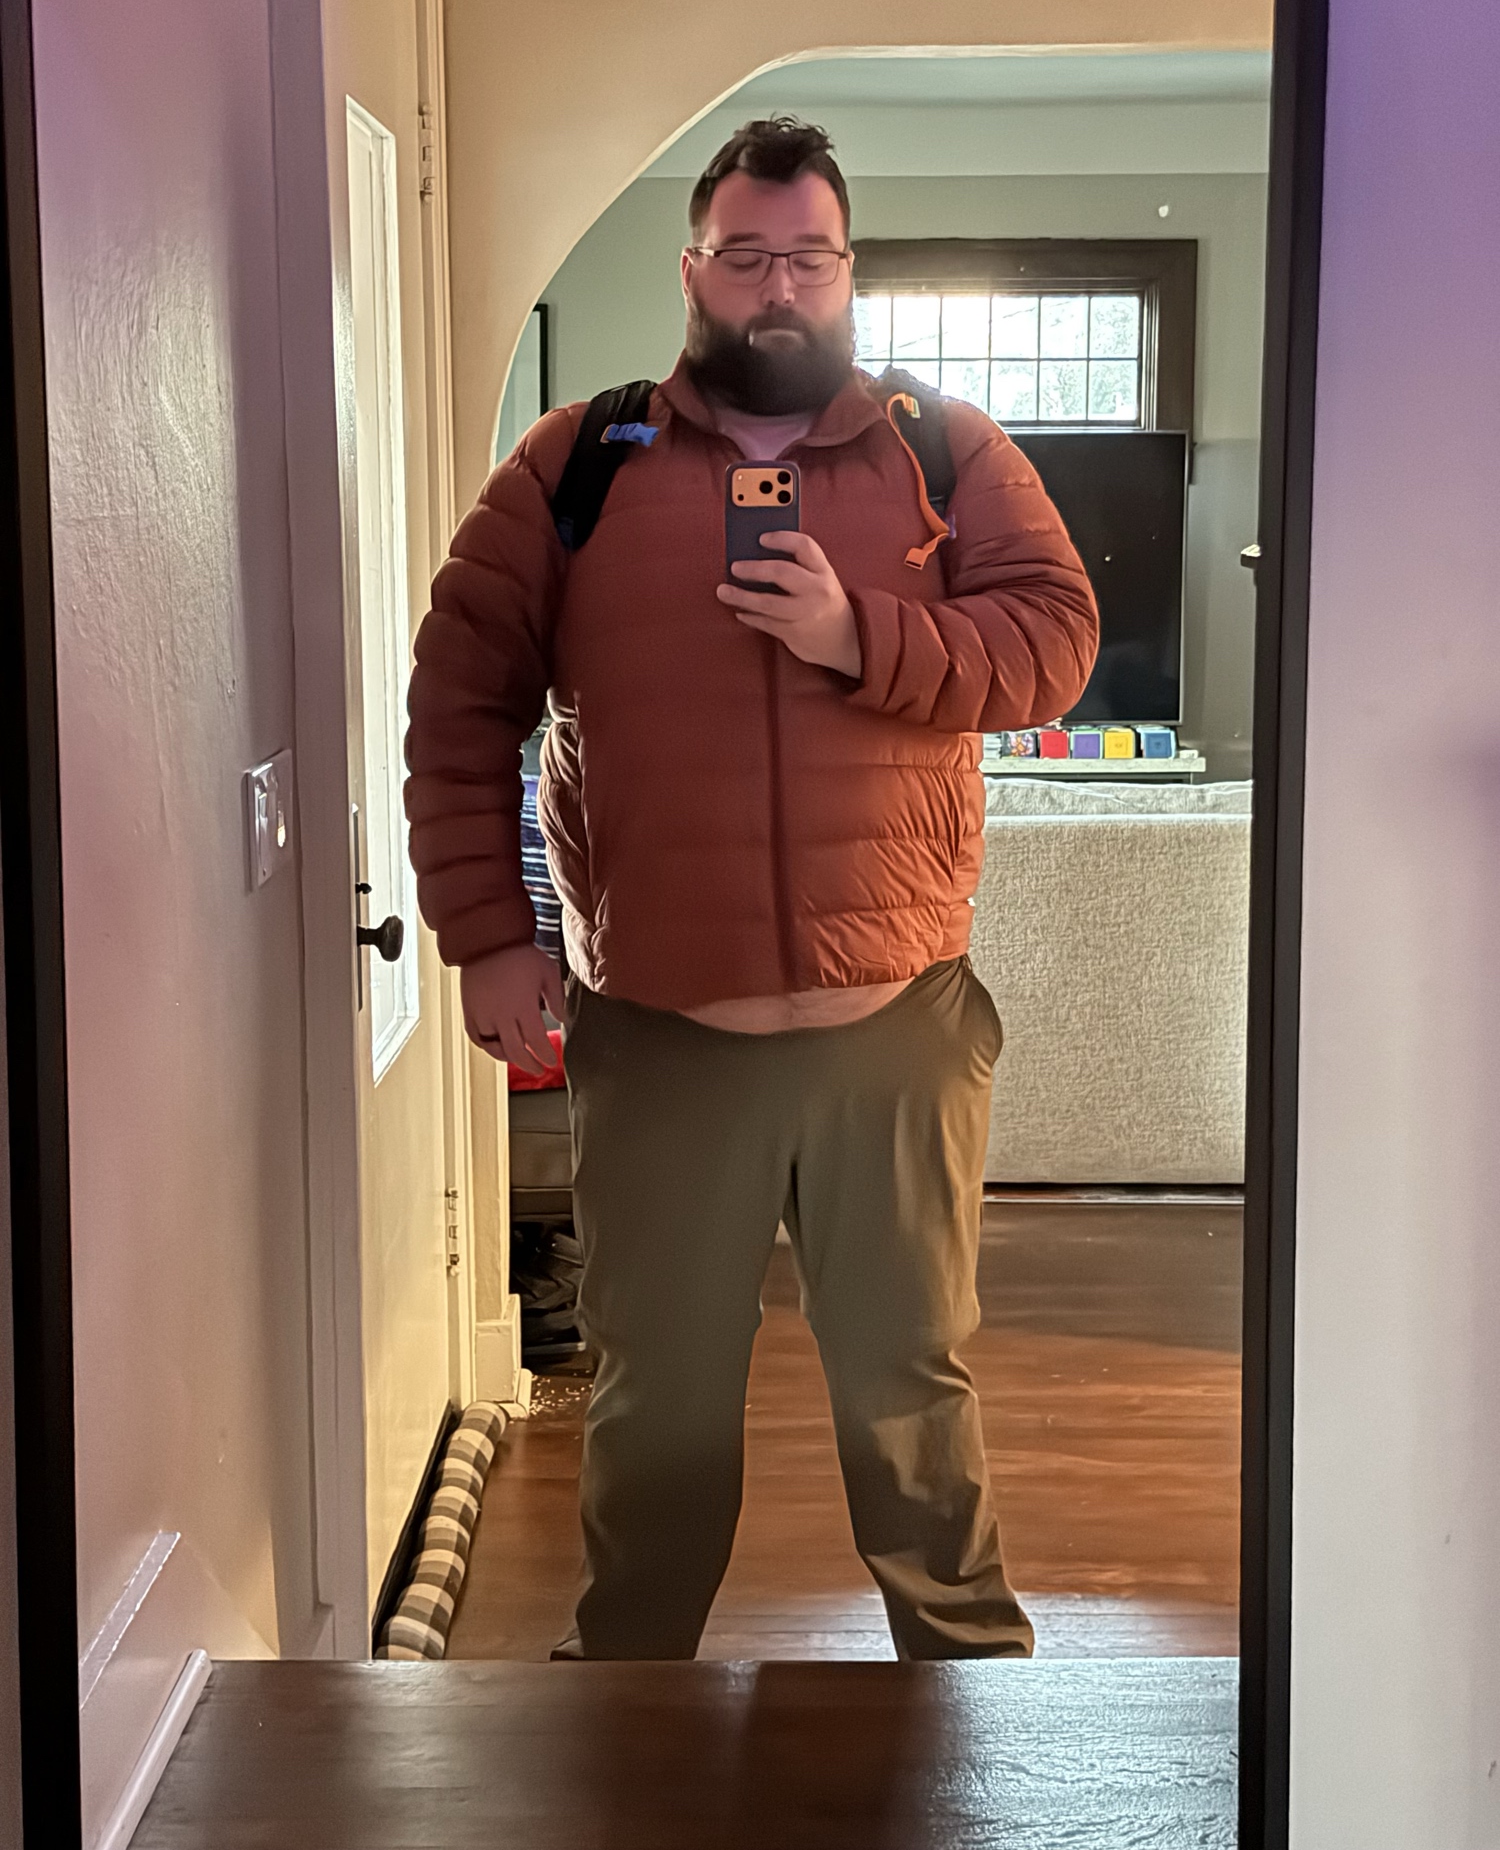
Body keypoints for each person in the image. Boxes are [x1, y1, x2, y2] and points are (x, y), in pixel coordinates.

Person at [405, 116, 1099, 1660]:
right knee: (655, 1403)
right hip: (664, 1034)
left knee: (910, 1394)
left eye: (808, 257)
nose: (777, 287)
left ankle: (971, 1698)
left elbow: (1056, 643)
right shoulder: (576, 464)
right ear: (693, 269)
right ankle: (627, 1702)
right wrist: (487, 939)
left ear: (848, 271)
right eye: (745, 256)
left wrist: (864, 638)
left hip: (896, 1030)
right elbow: (458, 707)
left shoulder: (942, 450)